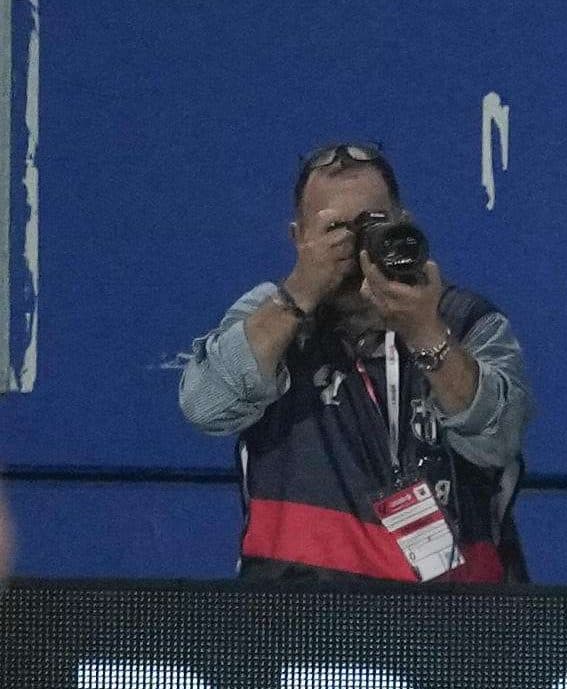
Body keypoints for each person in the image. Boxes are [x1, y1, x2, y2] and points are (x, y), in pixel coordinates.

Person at [180, 143, 534, 582]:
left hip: (452, 625)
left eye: (371, 224)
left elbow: (499, 439)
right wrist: (300, 294)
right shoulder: (270, 318)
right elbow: (206, 406)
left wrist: (424, 331)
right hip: (297, 623)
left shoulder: (463, 320)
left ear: (402, 223)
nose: (352, 245)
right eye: (334, 229)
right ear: (298, 238)